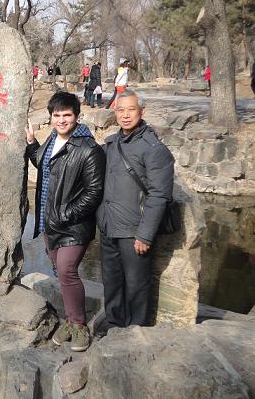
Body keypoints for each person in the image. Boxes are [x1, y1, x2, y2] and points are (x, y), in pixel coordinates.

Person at [26, 91, 105, 352]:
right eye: (56, 115)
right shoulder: (52, 140)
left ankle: (79, 326)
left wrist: (66, 214)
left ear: (76, 116)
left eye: (67, 115)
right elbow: (45, 165)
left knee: (68, 271)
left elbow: (94, 191)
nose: (61, 120)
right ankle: (70, 321)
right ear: (51, 117)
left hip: (72, 224)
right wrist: (31, 145)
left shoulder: (88, 148)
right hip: (50, 222)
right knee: (60, 272)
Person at [97, 90, 174, 331]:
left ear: (142, 111)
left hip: (134, 230)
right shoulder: (112, 143)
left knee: (136, 285)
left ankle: (134, 331)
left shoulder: (152, 148)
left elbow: (159, 194)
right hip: (109, 226)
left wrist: (145, 234)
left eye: (131, 109)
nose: (126, 115)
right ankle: (113, 324)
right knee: (111, 281)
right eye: (121, 110)